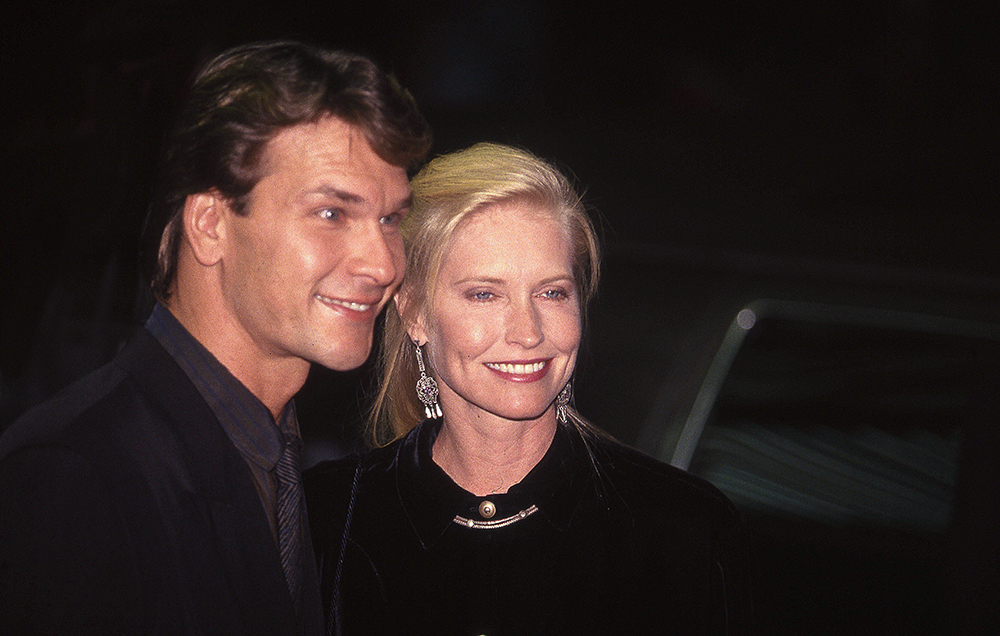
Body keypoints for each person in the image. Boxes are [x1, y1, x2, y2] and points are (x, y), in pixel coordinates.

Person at [0, 40, 431, 635]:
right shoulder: (76, 478)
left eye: (391, 219)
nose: (383, 263)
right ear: (209, 225)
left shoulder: (282, 465)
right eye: (332, 213)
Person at [306, 143, 754, 635]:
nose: (528, 332)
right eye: (484, 294)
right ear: (414, 312)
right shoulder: (325, 518)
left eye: (551, 293)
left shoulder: (681, 528)